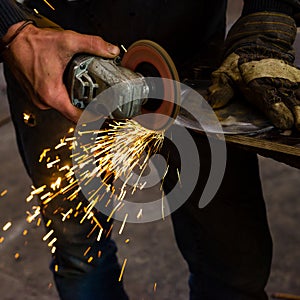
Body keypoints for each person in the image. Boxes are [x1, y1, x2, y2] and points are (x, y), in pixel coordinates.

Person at [1, 0, 300, 299]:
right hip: (54, 59)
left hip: (193, 48)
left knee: (234, 255)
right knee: (78, 247)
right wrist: (14, 30)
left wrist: (268, 11)